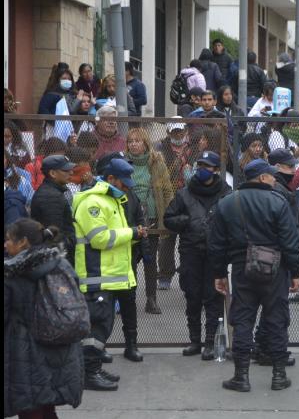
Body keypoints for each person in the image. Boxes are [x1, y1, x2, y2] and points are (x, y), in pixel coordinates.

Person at [208, 159, 299, 392]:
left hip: (243, 270)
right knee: (277, 321)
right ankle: (279, 376)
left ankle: (241, 377)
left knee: (242, 320)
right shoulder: (278, 202)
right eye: (271, 175)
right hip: (275, 269)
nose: (274, 178)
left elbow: (216, 244)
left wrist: (219, 273)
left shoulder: (227, 203)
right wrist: (296, 272)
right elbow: (291, 242)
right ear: (262, 178)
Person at [72, 158, 142, 390]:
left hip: (107, 277)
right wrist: (131, 233)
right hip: (96, 276)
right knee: (96, 329)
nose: (127, 187)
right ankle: (89, 373)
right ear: (110, 178)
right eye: (123, 183)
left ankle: (93, 369)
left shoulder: (110, 200)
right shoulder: (93, 203)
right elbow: (100, 239)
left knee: (102, 327)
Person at [4, 219, 84, 418]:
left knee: (31, 407)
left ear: (23, 242)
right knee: (47, 404)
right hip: (58, 348)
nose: (5, 244)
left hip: (25, 352)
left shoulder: (13, 273)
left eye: (8, 239)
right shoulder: (61, 264)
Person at [163, 151, 231, 360]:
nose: (203, 169)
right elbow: (169, 218)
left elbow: (234, 220)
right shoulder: (185, 193)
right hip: (190, 251)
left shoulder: (226, 193)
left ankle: (210, 343)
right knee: (192, 296)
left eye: (207, 166)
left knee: (213, 298)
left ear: (216, 170)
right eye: (200, 165)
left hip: (215, 253)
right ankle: (195, 340)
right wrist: (186, 221)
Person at [126, 128, 174, 314]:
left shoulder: (156, 162)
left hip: (152, 218)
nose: (134, 144)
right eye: (130, 141)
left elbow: (168, 190)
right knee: (129, 260)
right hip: (129, 218)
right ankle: (127, 299)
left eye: (137, 141)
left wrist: (167, 213)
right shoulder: (124, 162)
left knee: (150, 260)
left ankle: (151, 300)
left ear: (145, 143)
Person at [30, 154, 77, 261]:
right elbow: (54, 235)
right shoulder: (50, 196)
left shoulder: (53, 192)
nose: (71, 172)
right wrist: (68, 245)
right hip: (56, 258)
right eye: (65, 170)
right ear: (52, 173)